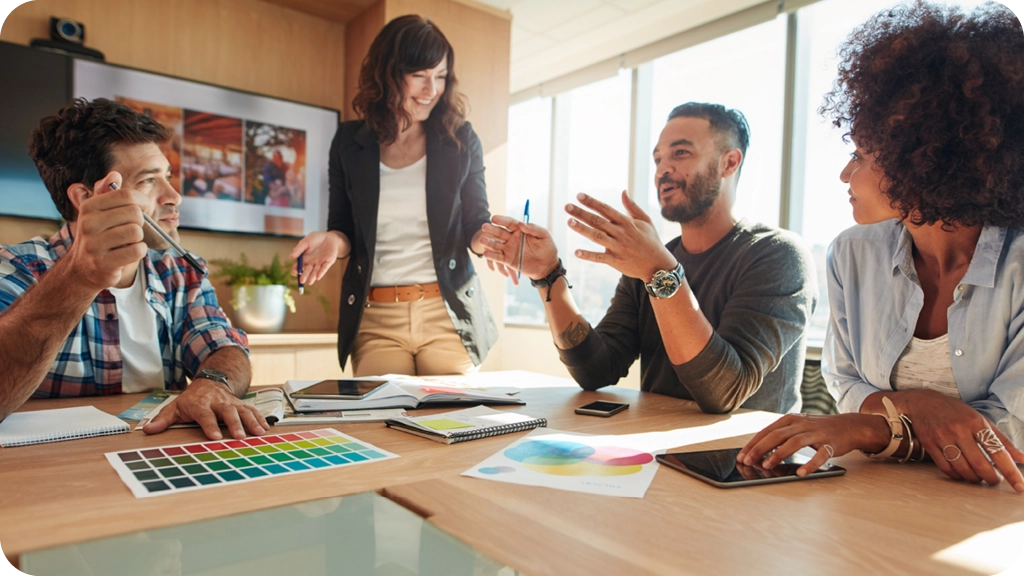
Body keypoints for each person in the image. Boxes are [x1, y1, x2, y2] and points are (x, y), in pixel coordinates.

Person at [737, 1, 1024, 492]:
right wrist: (924, 407)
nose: (846, 174)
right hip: (875, 500)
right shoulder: (852, 254)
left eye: (863, 156)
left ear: (927, 158)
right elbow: (845, 384)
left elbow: (1006, 434)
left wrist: (871, 428)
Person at [479, 103, 817, 413]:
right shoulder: (651, 262)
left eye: (681, 153)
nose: (663, 170)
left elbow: (724, 392)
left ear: (729, 162)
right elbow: (596, 369)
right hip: (658, 453)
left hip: (748, 467)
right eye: (657, 159)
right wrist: (549, 275)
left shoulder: (778, 255)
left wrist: (659, 271)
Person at [0, 98, 267, 441]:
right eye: (148, 181)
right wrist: (78, 278)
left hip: (158, 453)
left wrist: (211, 383)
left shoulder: (180, 271)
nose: (174, 196)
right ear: (86, 198)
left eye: (168, 177)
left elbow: (221, 346)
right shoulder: (16, 268)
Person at [291, 15, 507, 377]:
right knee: (380, 425)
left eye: (440, 76)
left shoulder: (460, 140)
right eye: (420, 76)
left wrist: (492, 239)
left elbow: (475, 222)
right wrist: (331, 240)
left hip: (447, 313)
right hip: (377, 320)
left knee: (453, 424)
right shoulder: (349, 142)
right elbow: (343, 228)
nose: (431, 89)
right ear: (388, 74)